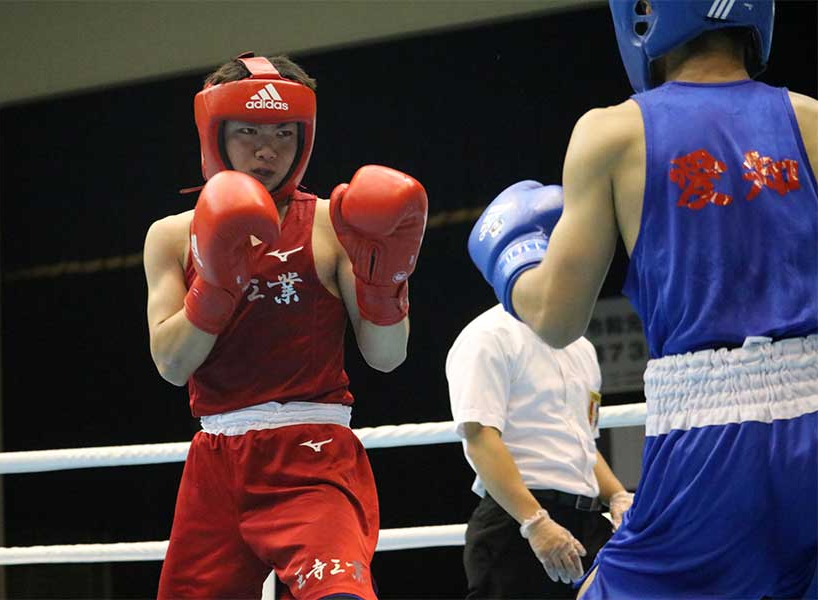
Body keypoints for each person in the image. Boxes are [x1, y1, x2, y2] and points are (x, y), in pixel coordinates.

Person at [468, 1, 818, 598]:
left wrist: (512, 263)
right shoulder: (810, 119)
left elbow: (556, 318)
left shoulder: (613, 131)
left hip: (711, 437)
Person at [144, 52, 428, 599]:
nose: (266, 149)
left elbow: (386, 356)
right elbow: (172, 365)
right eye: (248, 130)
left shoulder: (330, 224)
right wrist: (216, 281)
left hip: (312, 452)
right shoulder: (172, 235)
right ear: (215, 134)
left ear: (305, 139)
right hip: (218, 460)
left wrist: (385, 280)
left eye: (282, 133)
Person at [447, 286, 633, 598]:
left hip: (587, 523)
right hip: (516, 524)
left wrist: (616, 495)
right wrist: (534, 522)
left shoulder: (582, 348)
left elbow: (583, 444)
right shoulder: (488, 335)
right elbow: (479, 438)